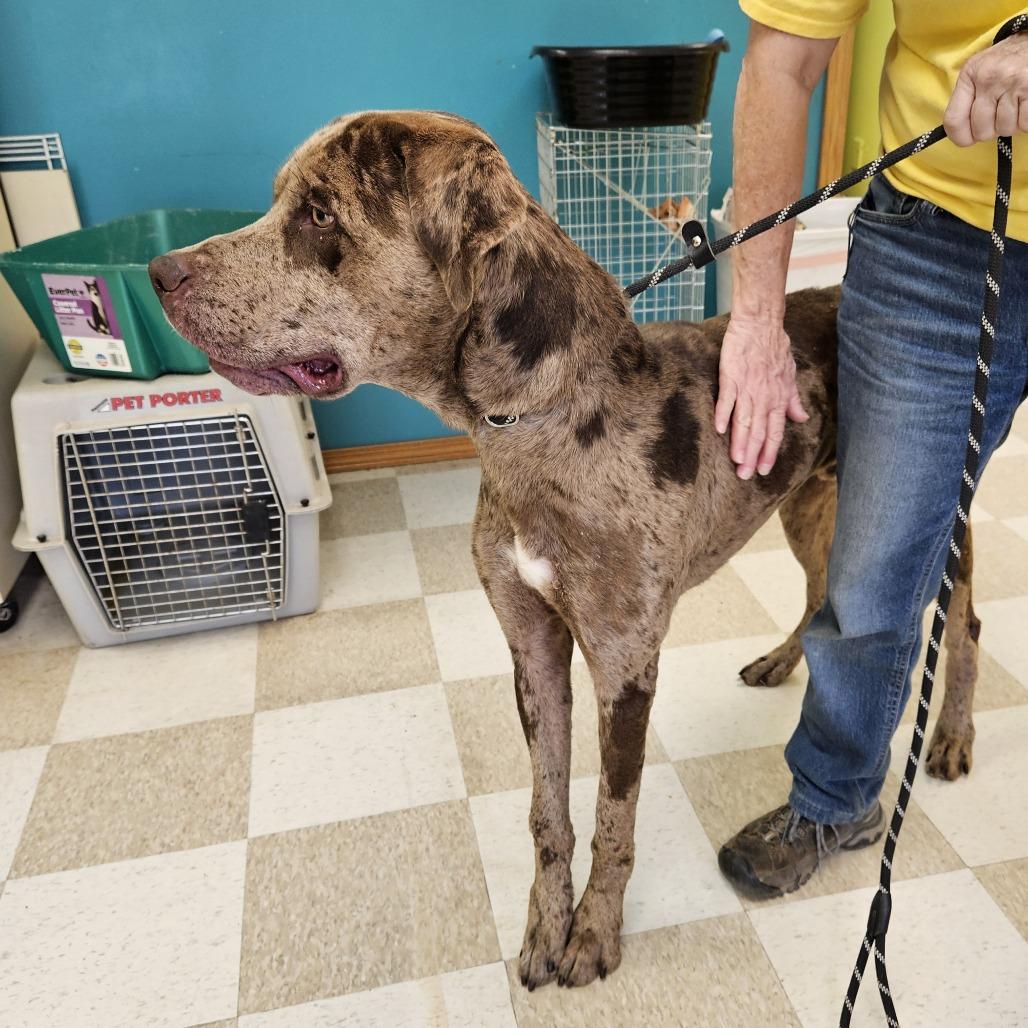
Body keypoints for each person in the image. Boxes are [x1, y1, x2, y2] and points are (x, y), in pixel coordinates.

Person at [716, 2, 1028, 897]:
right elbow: (781, 64)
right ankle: (834, 796)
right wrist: (756, 319)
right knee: (873, 567)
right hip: (941, 237)